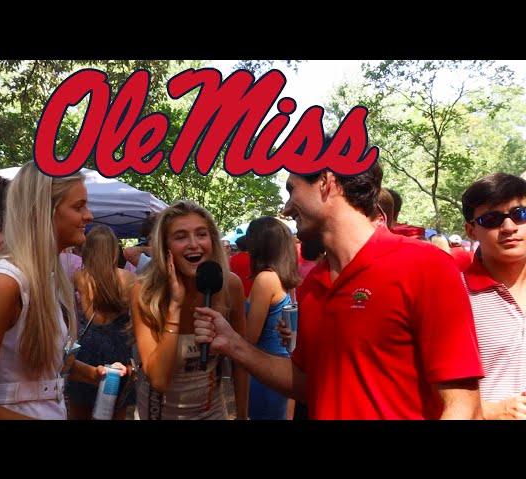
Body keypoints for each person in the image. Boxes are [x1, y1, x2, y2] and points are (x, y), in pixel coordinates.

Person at [194, 160, 484, 419]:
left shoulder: (424, 264)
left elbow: (463, 406)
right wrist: (233, 343)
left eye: (292, 189)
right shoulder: (314, 286)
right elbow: (308, 383)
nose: (286, 207)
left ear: (326, 182)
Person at [0, 161, 126, 420]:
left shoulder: (46, 278)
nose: (89, 215)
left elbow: (39, 364)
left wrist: (95, 373)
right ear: (44, 211)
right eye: (78, 207)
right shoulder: (4, 283)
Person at [132, 200, 248, 419]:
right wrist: (174, 307)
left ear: (212, 241)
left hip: (212, 412)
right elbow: (159, 379)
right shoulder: (144, 291)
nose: (193, 244)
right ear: (164, 247)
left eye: (201, 234)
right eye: (181, 236)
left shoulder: (230, 286)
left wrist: (242, 414)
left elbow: (240, 361)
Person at [461, 173, 526, 419]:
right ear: (471, 230)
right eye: (492, 219)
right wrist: (488, 411)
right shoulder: (453, 295)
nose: (509, 227)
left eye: (520, 214)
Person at [66, 225, 137, 420]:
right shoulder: (129, 279)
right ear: (115, 250)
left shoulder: (80, 277)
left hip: (86, 347)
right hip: (120, 347)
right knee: (116, 411)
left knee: (79, 410)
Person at [245, 217, 300, 420]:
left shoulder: (265, 279)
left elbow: (250, 338)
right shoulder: (283, 278)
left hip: (266, 370)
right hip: (283, 368)